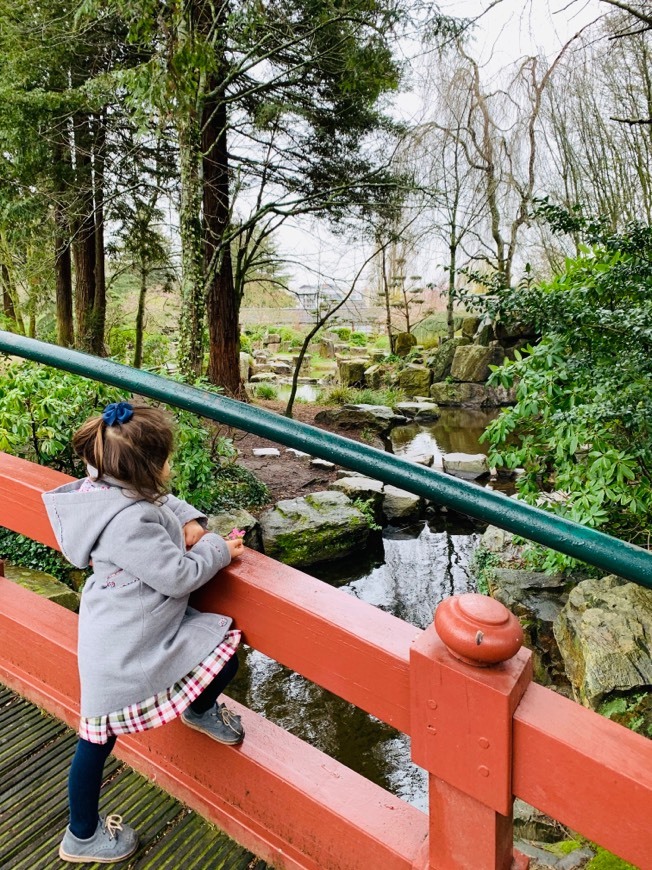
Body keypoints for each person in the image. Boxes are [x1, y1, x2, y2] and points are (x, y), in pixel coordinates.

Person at [42, 400, 245, 864]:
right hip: (127, 649)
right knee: (97, 739)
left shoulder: (109, 487)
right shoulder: (129, 521)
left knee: (96, 737)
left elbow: (161, 501)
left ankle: (196, 709)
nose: (170, 465)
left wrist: (190, 520)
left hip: (124, 630)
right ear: (147, 467)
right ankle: (81, 835)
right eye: (166, 458)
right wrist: (218, 547)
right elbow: (177, 575)